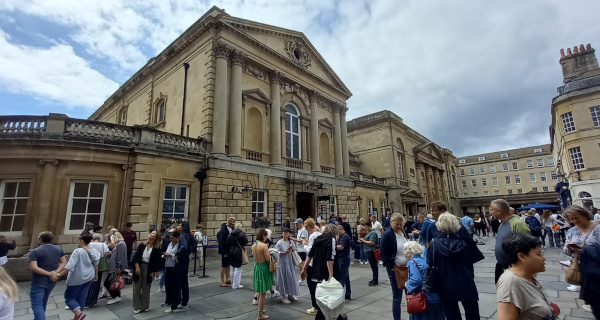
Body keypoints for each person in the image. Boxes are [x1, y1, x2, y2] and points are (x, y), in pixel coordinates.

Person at [428, 213, 483, 320]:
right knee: (472, 313)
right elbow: (473, 258)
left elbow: (430, 262)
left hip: (444, 283)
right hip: (465, 281)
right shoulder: (464, 243)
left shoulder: (434, 243)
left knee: (451, 315)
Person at [497, 233, 556, 319]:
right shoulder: (510, 283)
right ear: (522, 256)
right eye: (538, 254)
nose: (543, 258)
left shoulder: (527, 277)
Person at [56, 234, 100, 320]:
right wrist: (96, 275)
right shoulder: (95, 251)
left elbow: (70, 266)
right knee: (82, 296)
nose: (77, 242)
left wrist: (59, 274)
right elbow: (96, 265)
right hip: (89, 276)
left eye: (78, 240)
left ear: (82, 241)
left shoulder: (78, 251)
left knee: (69, 298)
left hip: (77, 278)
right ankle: (77, 316)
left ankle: (79, 314)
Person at [563, 205, 600, 306]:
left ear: (585, 215)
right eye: (571, 219)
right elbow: (565, 250)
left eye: (576, 218)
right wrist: (569, 249)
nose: (574, 221)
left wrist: (584, 250)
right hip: (584, 268)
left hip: (597, 264)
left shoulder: (597, 228)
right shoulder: (571, 231)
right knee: (593, 298)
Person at [301, 224, 339, 320]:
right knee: (329, 299)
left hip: (316, 272)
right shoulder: (331, 239)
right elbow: (330, 258)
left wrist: (304, 269)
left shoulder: (317, 239)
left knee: (327, 299)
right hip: (326, 273)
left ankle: (338, 317)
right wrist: (331, 275)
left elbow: (310, 254)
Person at [490, 199, 531, 284]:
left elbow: (528, 247)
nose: (490, 212)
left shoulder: (518, 223)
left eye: (491, 210)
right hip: (504, 268)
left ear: (499, 211)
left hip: (516, 271)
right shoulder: (501, 225)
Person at [29, 231, 66, 320]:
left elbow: (33, 268)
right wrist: (56, 272)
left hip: (39, 281)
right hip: (52, 280)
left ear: (40, 239)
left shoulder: (35, 251)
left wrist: (49, 273)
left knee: (37, 305)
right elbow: (64, 262)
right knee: (43, 302)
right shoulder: (58, 249)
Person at [403, 241, 444, 320]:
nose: (404, 253)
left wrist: (407, 284)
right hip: (433, 295)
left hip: (423, 297)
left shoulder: (412, 262)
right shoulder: (424, 259)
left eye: (405, 250)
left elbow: (416, 280)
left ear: (410, 251)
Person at [379, 213, 409, 320]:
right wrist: (391, 266)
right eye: (397, 224)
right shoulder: (387, 235)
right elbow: (383, 253)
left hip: (407, 267)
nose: (399, 226)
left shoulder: (403, 231)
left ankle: (413, 316)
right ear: (391, 222)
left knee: (410, 294)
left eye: (401, 224)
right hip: (395, 269)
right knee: (397, 296)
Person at [131, 230, 162, 314]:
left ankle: (144, 306)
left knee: (146, 288)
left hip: (149, 268)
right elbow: (136, 256)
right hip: (140, 266)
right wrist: (137, 266)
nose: (150, 234)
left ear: (155, 237)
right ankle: (136, 306)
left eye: (153, 233)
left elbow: (157, 261)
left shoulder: (156, 248)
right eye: (151, 232)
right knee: (136, 287)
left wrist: (155, 271)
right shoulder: (142, 245)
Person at [300, 217, 322, 315]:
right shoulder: (320, 234)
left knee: (311, 285)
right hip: (319, 264)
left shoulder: (313, 236)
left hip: (312, 264)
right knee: (318, 285)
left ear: (309, 226)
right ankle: (320, 305)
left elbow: (310, 251)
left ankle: (315, 306)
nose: (306, 230)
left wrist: (304, 244)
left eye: (306, 228)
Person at [252, 229, 273, 320]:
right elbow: (268, 259)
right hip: (264, 268)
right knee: (263, 292)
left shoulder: (254, 245)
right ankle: (260, 314)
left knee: (259, 290)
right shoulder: (264, 246)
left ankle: (261, 309)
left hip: (257, 267)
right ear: (263, 236)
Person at [275, 228, 300, 303]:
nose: (286, 234)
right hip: (282, 263)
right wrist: (284, 252)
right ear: (282, 234)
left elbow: (295, 250)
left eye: (287, 233)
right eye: (284, 232)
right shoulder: (279, 242)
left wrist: (292, 249)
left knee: (290, 278)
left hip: (290, 262)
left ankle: (290, 294)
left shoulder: (291, 242)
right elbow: (276, 252)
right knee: (283, 278)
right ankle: (283, 295)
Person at [85, 233, 109, 308]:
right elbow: (105, 254)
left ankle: (87, 301)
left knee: (89, 283)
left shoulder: (88, 244)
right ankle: (94, 300)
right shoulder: (103, 245)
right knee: (97, 283)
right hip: (100, 265)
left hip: (89, 264)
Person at [163, 231, 184, 313]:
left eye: (172, 238)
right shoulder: (170, 244)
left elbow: (176, 255)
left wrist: (170, 255)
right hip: (168, 265)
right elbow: (168, 252)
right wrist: (165, 254)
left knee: (174, 285)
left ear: (177, 238)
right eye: (170, 238)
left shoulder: (179, 245)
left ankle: (175, 302)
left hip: (175, 267)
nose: (171, 239)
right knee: (167, 283)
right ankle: (168, 299)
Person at [105, 231, 128, 305]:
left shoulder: (121, 244)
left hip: (115, 267)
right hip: (115, 266)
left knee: (108, 282)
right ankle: (116, 296)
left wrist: (118, 266)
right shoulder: (121, 244)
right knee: (112, 281)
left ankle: (116, 296)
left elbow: (120, 256)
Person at [228, 222, 248, 289]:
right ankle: (236, 285)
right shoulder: (242, 233)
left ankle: (232, 283)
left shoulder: (230, 234)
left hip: (231, 251)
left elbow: (227, 242)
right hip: (239, 252)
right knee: (238, 269)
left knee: (232, 268)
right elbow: (246, 242)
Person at [359, 221, 379, 286]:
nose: (366, 229)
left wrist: (364, 241)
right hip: (368, 251)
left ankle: (375, 280)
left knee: (374, 266)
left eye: (366, 227)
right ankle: (374, 278)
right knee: (373, 266)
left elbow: (372, 242)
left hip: (371, 251)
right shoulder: (369, 233)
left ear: (369, 226)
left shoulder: (373, 233)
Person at [217, 217, 235, 287]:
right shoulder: (223, 230)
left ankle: (227, 278)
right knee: (224, 265)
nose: (233, 225)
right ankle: (222, 281)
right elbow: (221, 242)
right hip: (224, 250)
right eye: (233, 223)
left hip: (230, 249)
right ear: (230, 223)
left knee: (228, 265)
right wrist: (224, 252)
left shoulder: (232, 229)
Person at [159, 224, 177, 292]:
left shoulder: (165, 236)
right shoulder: (173, 238)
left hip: (164, 255)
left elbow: (162, 248)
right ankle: (163, 285)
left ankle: (161, 285)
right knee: (167, 273)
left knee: (164, 271)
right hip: (169, 257)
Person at [290, 218, 308, 286]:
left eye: (297, 224)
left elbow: (302, 241)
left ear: (301, 223)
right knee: (300, 263)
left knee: (300, 264)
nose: (296, 225)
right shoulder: (300, 230)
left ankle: (303, 276)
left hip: (302, 249)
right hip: (299, 249)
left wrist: (292, 239)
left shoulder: (303, 230)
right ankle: (302, 277)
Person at [336, 224, 352, 300]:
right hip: (342, 258)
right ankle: (347, 294)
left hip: (343, 258)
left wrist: (334, 246)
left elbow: (341, 247)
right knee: (346, 277)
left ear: (340, 229)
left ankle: (340, 295)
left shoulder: (344, 236)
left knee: (341, 278)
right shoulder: (341, 236)